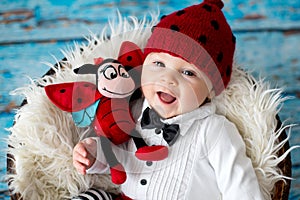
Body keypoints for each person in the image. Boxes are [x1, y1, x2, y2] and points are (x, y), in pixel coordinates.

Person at [73, 0, 264, 199]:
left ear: (210, 91)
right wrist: (94, 155)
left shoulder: (213, 131)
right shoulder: (135, 110)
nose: (168, 79)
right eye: (158, 63)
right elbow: (121, 158)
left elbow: (240, 186)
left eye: (188, 72)